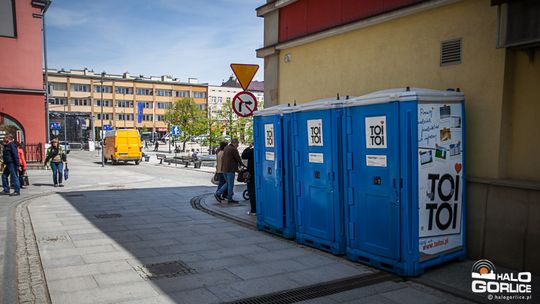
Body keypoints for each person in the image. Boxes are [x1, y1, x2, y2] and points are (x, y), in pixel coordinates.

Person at [215, 139, 243, 204]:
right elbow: (238, 158)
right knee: (230, 184)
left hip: (224, 169)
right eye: (237, 144)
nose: (238, 145)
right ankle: (228, 198)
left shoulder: (226, 148)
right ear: (234, 143)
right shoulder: (233, 149)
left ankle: (218, 193)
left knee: (227, 183)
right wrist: (242, 165)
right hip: (230, 169)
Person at [242, 143, 256, 215]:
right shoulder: (257, 150)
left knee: (251, 192)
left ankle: (253, 210)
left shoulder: (252, 151)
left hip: (251, 174)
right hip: (257, 174)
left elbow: (243, 155)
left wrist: (249, 147)